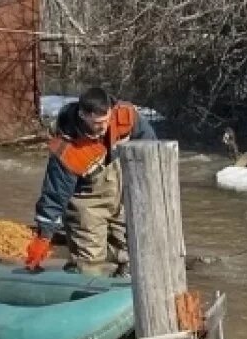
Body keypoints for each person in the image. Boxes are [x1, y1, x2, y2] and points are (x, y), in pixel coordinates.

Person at [26, 87, 155, 277]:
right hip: (86, 208)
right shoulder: (67, 149)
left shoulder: (125, 116)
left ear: (111, 110)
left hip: (121, 199)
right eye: (96, 123)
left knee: (133, 253)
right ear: (83, 115)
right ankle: (78, 273)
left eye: (105, 120)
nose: (103, 127)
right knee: (89, 266)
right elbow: (54, 195)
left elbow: (151, 147)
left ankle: (123, 283)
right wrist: (44, 237)